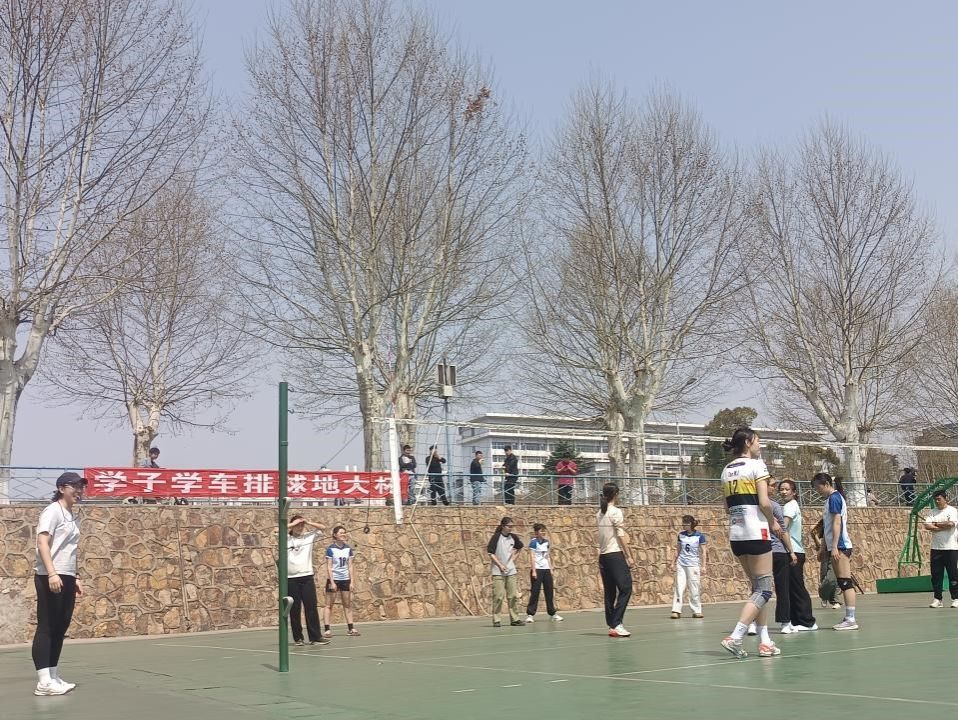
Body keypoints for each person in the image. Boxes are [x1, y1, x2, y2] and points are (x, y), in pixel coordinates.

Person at [719, 427, 782, 659]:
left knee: (757, 589)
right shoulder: (757, 466)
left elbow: (726, 507)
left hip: (737, 535)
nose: (760, 445)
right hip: (757, 533)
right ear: (748, 442)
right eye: (758, 441)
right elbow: (764, 502)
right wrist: (773, 522)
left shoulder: (726, 470)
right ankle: (736, 636)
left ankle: (765, 642)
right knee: (765, 589)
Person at [32, 472, 87, 696]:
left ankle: (53, 676)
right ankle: (43, 681)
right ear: (62, 488)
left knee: (60, 626)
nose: (79, 491)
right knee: (47, 625)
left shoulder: (71, 515)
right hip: (50, 575)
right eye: (75, 486)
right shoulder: (52, 511)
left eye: (81, 487)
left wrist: (75, 576)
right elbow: (42, 543)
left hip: (67, 575)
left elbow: (69, 549)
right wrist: (52, 573)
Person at [812, 473, 859, 630]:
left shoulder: (834, 498)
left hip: (841, 546)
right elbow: (827, 528)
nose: (817, 491)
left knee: (845, 581)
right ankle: (849, 618)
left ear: (826, 484)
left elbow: (837, 523)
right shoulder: (829, 500)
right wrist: (823, 548)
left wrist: (834, 547)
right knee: (842, 581)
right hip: (834, 546)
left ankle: (851, 619)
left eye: (818, 487)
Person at [777, 478, 817, 631]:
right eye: (781, 489)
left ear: (794, 492)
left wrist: (791, 551)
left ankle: (807, 622)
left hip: (793, 552)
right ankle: (796, 621)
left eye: (787, 489)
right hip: (794, 551)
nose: (783, 492)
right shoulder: (792, 505)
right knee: (793, 587)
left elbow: (783, 529)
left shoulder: (789, 506)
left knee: (796, 588)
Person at [286, 515, 330, 646]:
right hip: (291, 578)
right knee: (294, 609)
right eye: (297, 525)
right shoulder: (286, 538)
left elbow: (323, 528)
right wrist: (293, 523)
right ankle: (298, 638)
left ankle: (315, 637)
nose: (300, 527)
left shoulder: (308, 536)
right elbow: (277, 530)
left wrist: (308, 522)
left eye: (301, 525)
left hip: (307, 577)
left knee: (311, 607)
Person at [597, 483, 633, 638]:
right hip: (614, 554)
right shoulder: (615, 512)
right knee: (626, 588)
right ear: (616, 494)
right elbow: (621, 535)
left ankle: (612, 624)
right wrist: (629, 555)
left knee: (610, 591)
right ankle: (616, 623)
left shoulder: (599, 513)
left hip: (603, 556)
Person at [766, 478, 801, 634]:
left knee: (759, 588)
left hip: (761, 550)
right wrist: (791, 551)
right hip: (777, 551)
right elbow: (783, 531)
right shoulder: (774, 506)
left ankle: (754, 623)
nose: (776, 489)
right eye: (773, 485)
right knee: (782, 588)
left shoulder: (752, 505)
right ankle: (785, 623)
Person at [923, 489, 958, 608]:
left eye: (939, 499)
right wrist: (940, 526)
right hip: (936, 548)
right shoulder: (932, 512)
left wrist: (936, 524)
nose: (937, 501)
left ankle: (955, 598)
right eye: (935, 499)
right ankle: (938, 599)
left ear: (945, 498)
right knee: (936, 575)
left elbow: (951, 524)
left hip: (951, 548)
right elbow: (927, 525)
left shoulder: (952, 511)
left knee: (953, 575)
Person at [323, 526, 360, 637]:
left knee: (347, 604)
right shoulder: (330, 549)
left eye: (344, 532)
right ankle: (327, 629)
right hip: (334, 579)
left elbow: (350, 566)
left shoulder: (348, 549)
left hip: (345, 579)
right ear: (335, 535)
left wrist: (352, 581)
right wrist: (332, 582)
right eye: (341, 533)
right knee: (329, 605)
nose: (343, 534)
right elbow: (329, 567)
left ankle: (351, 628)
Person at [487, 516, 524, 627]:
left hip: (511, 571)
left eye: (512, 526)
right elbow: (490, 553)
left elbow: (520, 547)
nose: (511, 528)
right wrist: (500, 565)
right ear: (503, 526)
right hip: (498, 571)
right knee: (498, 596)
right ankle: (496, 620)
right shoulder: (496, 537)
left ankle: (515, 619)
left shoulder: (513, 537)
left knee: (513, 596)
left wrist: (513, 560)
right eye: (509, 526)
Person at [525, 523, 562, 623]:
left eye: (544, 530)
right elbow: (532, 556)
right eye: (541, 531)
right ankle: (530, 614)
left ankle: (552, 613)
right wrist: (534, 571)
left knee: (549, 592)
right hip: (537, 569)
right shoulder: (533, 542)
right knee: (535, 592)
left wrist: (550, 568)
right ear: (537, 532)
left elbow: (547, 556)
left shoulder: (546, 542)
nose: (543, 532)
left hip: (546, 569)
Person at [671, 514, 706, 619]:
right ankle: (676, 610)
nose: (684, 525)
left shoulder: (699, 536)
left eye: (686, 523)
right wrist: (673, 562)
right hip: (681, 564)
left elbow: (704, 552)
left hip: (693, 564)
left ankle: (697, 610)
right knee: (679, 586)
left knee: (694, 587)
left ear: (691, 524)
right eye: (683, 523)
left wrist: (704, 566)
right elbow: (677, 550)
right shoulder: (681, 535)